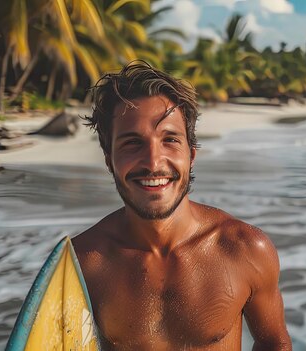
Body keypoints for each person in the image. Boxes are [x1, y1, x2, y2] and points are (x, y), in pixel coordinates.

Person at [73, 61, 292, 350]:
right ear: (108, 159)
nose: (153, 163)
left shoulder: (245, 250)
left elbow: (273, 343)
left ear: (191, 154)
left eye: (170, 140)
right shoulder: (83, 264)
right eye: (131, 143)